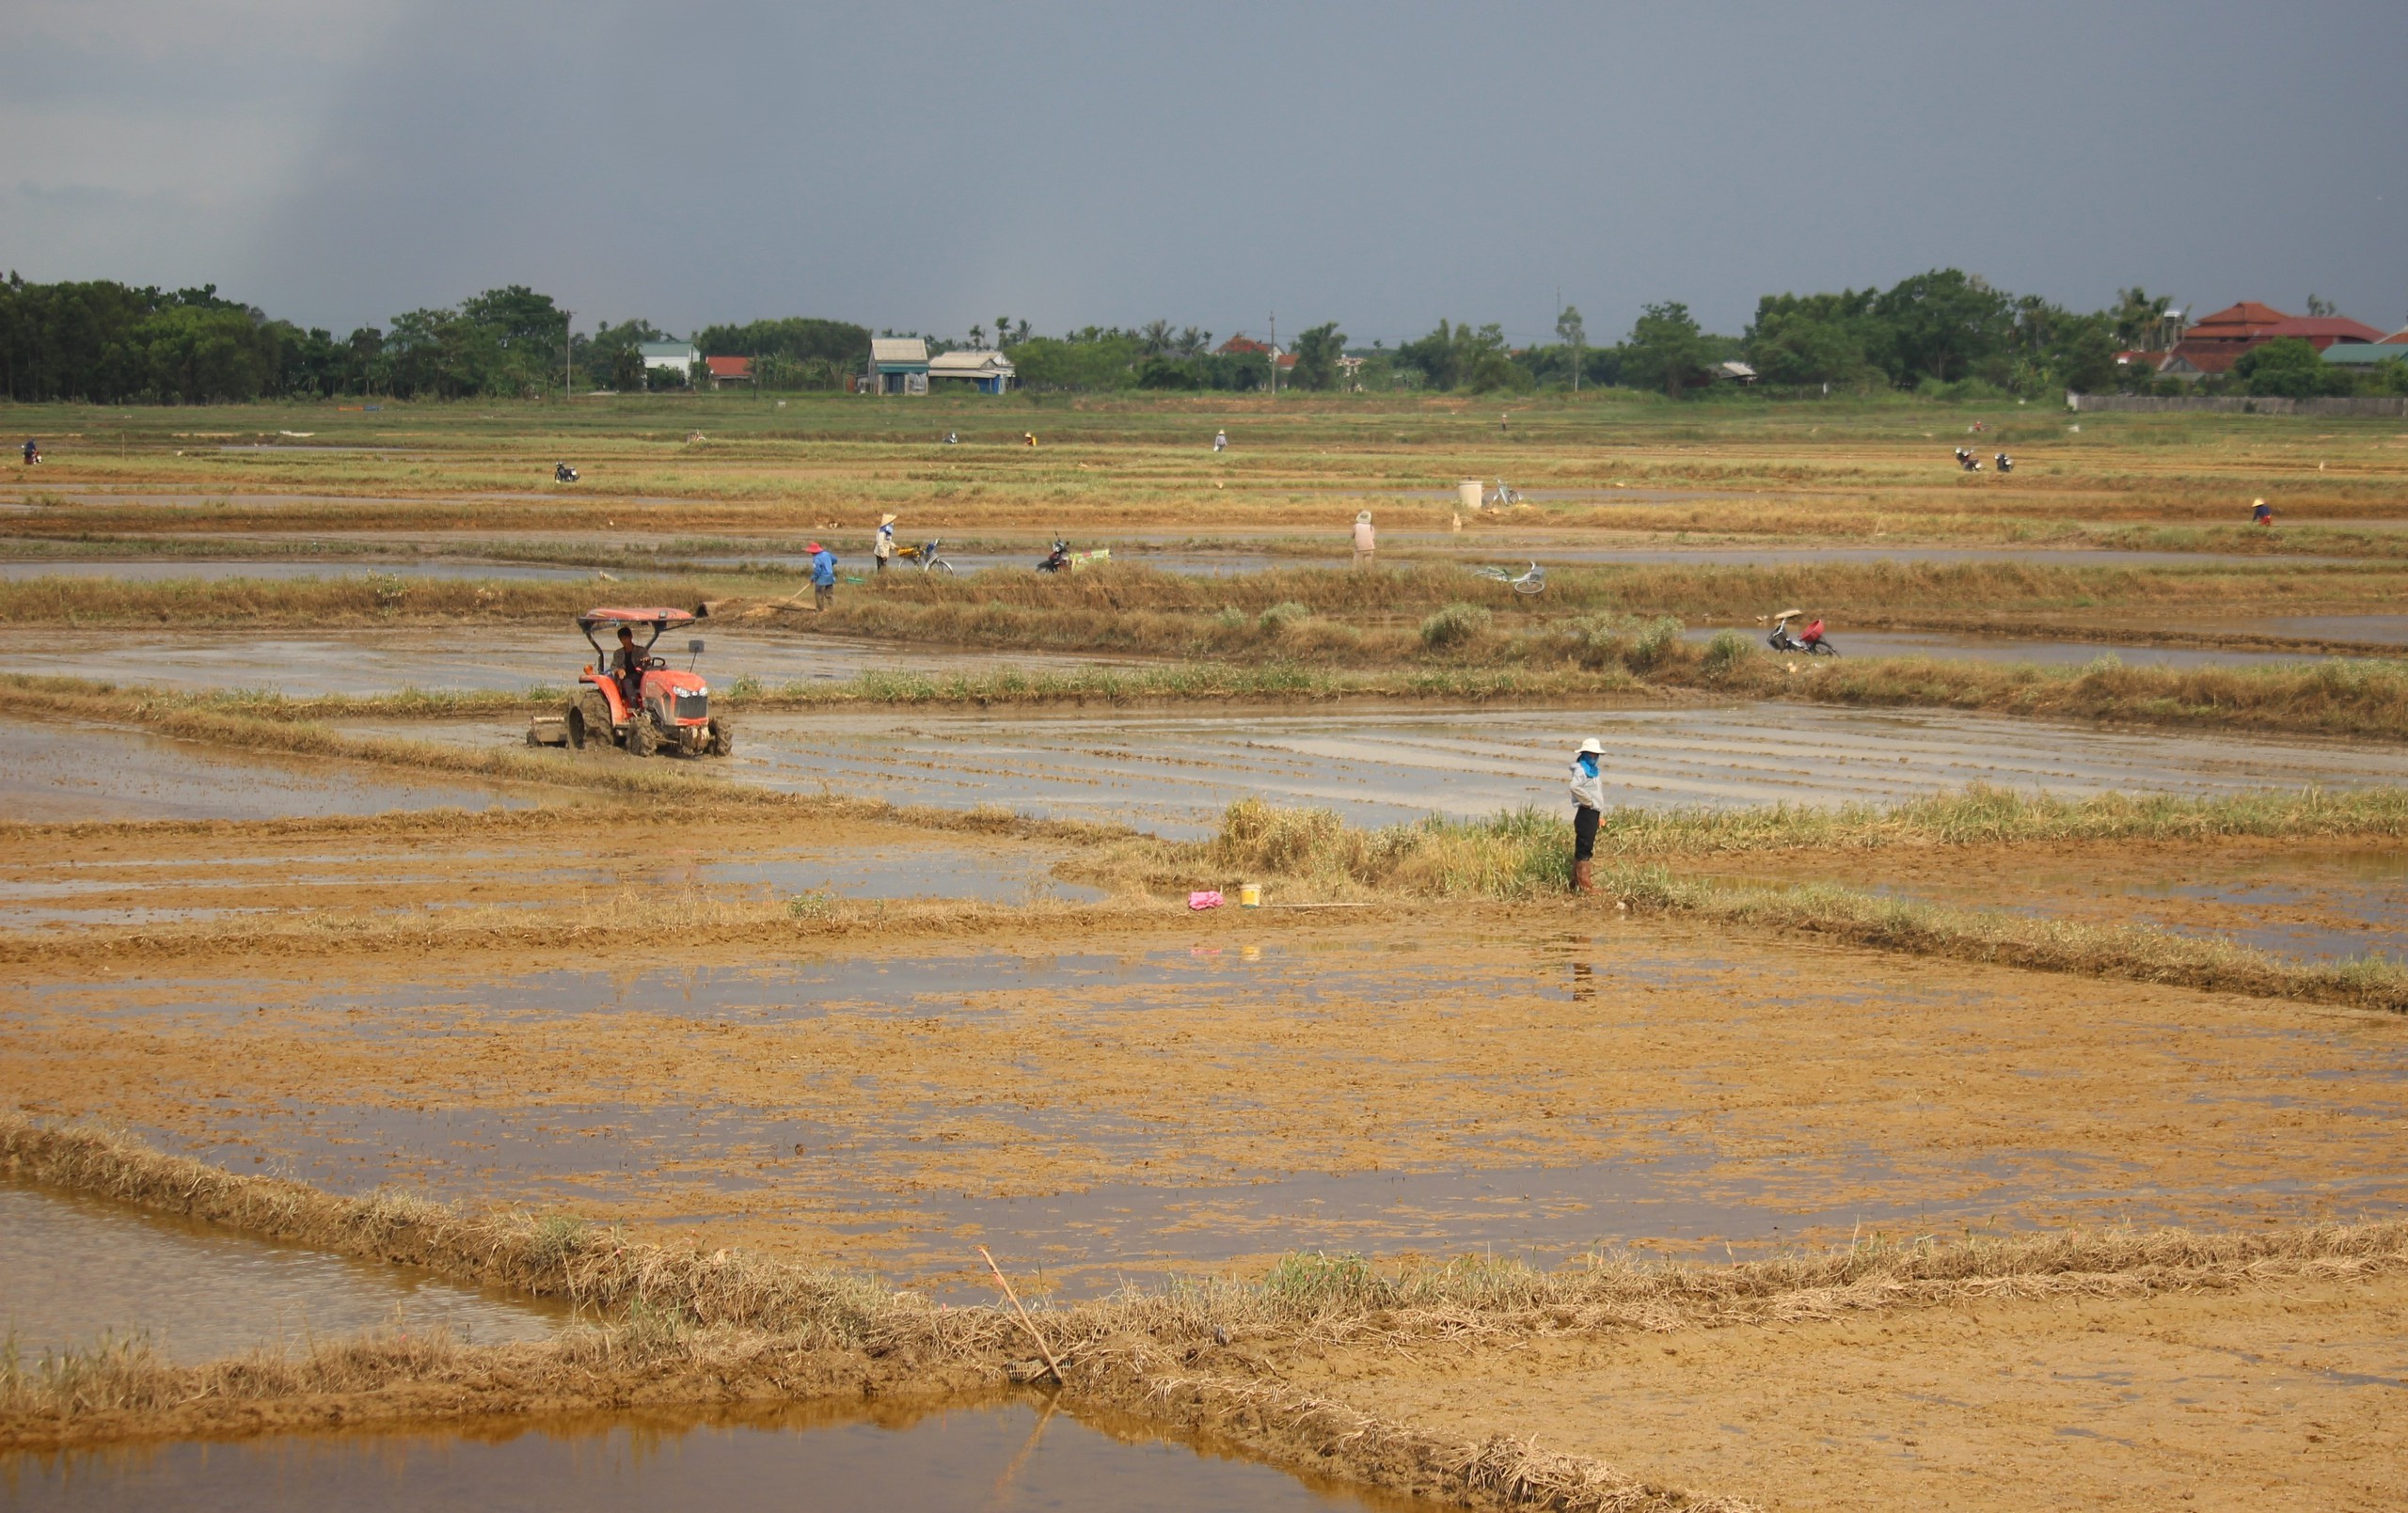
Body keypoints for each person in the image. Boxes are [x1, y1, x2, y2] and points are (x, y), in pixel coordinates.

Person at [1567, 737, 1607, 895]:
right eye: (1591, 755)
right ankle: (1585, 885)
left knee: (1583, 847)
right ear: (1584, 754)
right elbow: (1574, 787)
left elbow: (1597, 794)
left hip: (1592, 813)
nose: (1594, 758)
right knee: (1585, 849)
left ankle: (1575, 883)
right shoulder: (1581, 770)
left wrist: (1599, 815)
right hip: (1586, 812)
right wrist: (1588, 802)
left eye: (1596, 755)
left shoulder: (1594, 771)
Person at [611, 625, 646, 709]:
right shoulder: (618, 653)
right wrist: (618, 670)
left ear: (631, 637)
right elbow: (613, 667)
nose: (624, 641)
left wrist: (646, 660)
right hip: (624, 678)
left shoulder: (641, 651)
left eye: (626, 638)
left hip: (639, 676)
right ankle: (635, 706)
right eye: (622, 639)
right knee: (627, 681)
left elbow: (648, 662)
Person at [808, 541, 838, 610]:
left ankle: (820, 610)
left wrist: (812, 578)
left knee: (819, 594)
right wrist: (830, 565)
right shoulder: (827, 554)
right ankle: (835, 609)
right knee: (829, 594)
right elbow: (835, 560)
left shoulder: (816, 558)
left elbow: (817, 571)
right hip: (830, 577)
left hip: (822, 579)